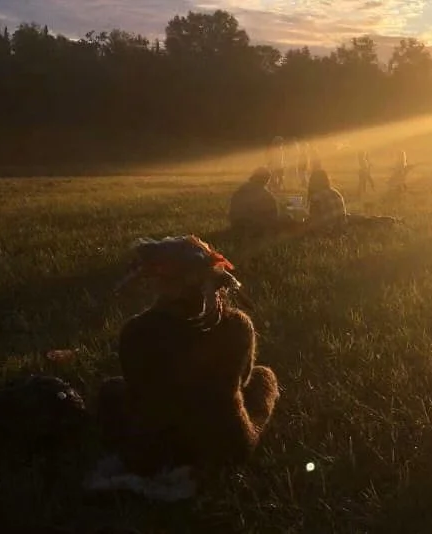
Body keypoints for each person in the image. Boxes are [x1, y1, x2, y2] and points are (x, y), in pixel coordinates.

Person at [97, 236, 280, 477]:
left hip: (153, 451)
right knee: (263, 376)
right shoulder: (237, 324)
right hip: (225, 446)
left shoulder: (137, 330)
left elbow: (136, 390)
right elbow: (243, 381)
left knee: (112, 390)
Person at [307, 169, 400, 232]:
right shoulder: (336, 192)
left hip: (328, 230)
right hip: (342, 225)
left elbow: (314, 221)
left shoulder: (316, 198)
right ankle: (388, 220)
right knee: (363, 219)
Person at [228, 168, 282, 234]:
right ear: (265, 180)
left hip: (236, 224)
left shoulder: (242, 189)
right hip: (253, 226)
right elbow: (273, 214)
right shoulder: (265, 194)